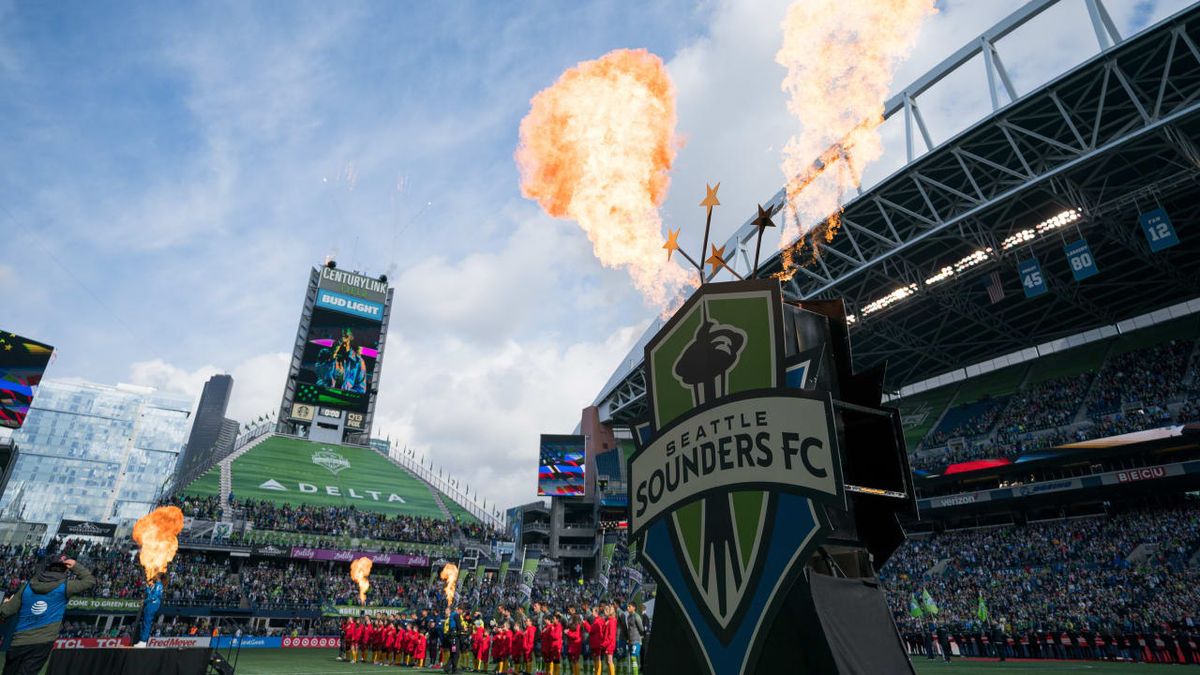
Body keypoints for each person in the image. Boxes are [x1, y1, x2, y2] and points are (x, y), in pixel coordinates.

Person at [0, 554, 95, 675]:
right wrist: (76, 566)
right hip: (42, 643)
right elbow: (90, 581)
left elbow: (6, 611)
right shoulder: (65, 587)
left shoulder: (27, 587)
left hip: (19, 642)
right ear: (65, 569)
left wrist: (5, 604)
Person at [134, 572, 165, 648]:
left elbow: (154, 596)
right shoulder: (155, 585)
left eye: (155, 575)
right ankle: (142, 640)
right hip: (149, 604)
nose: (154, 576)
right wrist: (147, 587)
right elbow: (150, 594)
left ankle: (143, 641)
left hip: (153, 604)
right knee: (144, 622)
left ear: (158, 577)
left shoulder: (159, 585)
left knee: (147, 622)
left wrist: (144, 601)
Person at [623, 603, 644, 675]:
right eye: (627, 606)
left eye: (629, 606)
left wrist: (640, 637)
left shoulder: (637, 617)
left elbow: (641, 628)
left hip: (636, 640)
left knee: (633, 657)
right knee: (632, 659)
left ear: (634, 608)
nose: (628, 608)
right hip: (630, 641)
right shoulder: (628, 617)